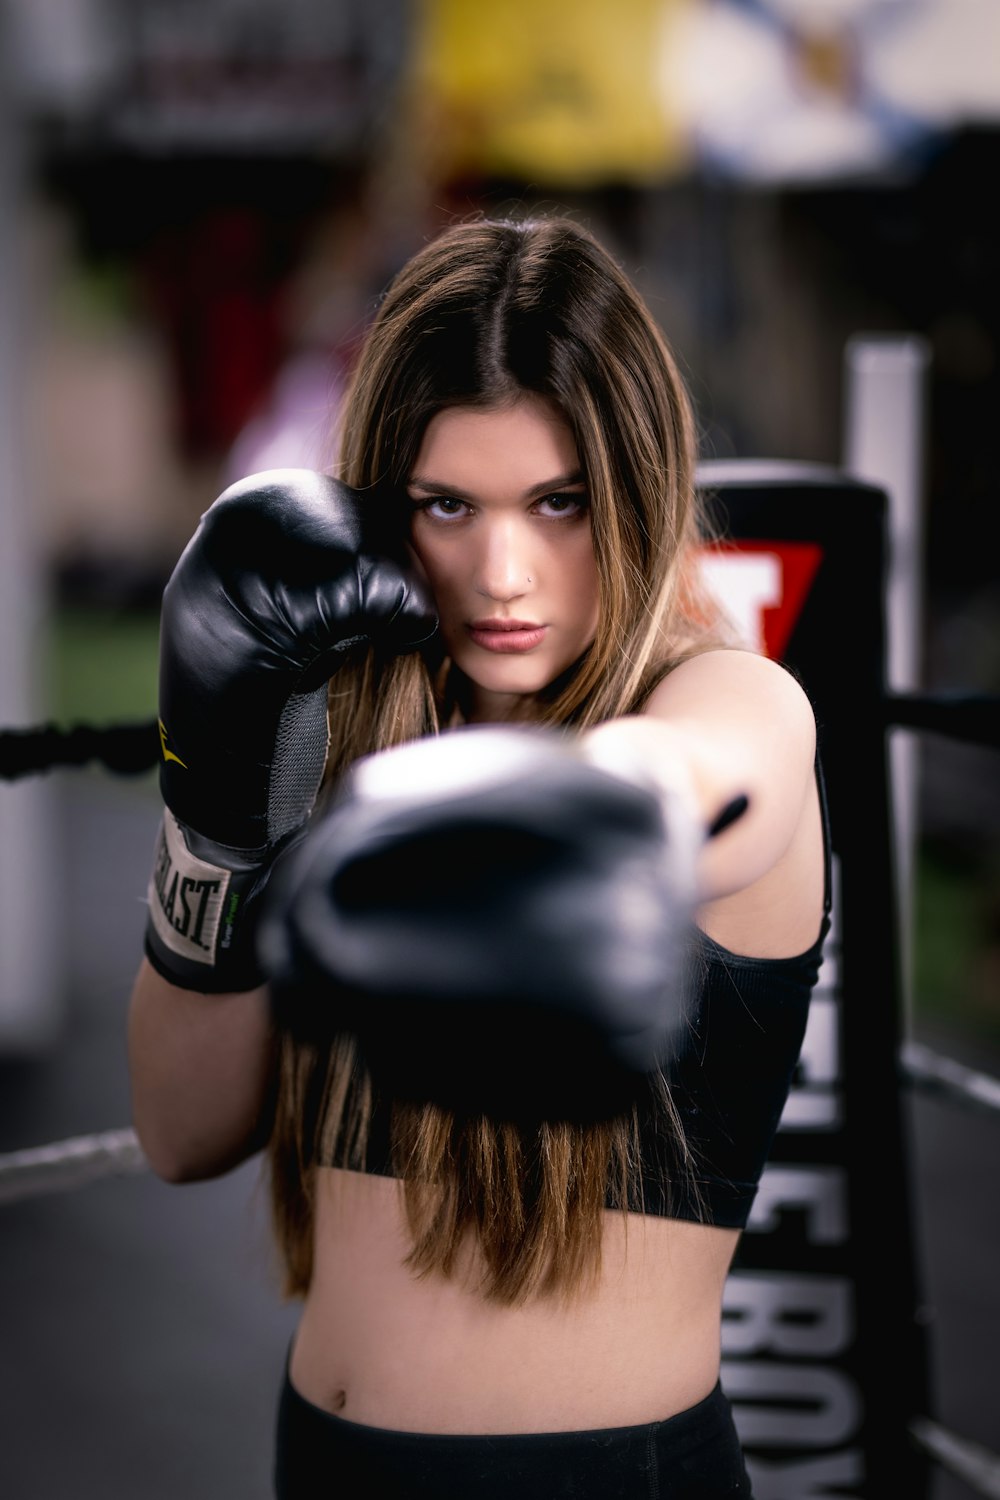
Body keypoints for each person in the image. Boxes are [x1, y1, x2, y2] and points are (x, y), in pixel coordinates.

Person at [128, 215, 829, 1499]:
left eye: (558, 504)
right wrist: (221, 815)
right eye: (447, 506)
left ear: (635, 490)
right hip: (323, 1461)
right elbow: (179, 1130)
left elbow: (705, 770)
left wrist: (604, 812)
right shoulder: (343, 743)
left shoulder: (732, 703)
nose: (501, 574)